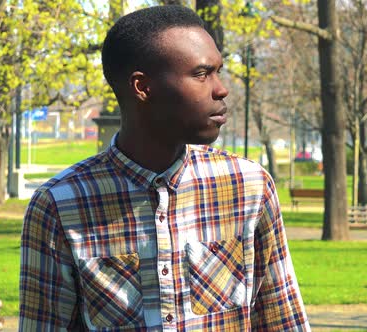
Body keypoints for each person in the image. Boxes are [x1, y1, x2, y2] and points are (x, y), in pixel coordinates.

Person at [19, 5, 309, 331]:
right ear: (142, 87)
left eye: (218, 71)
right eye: (201, 74)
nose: (221, 89)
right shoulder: (59, 205)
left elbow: (283, 321)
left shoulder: (248, 186)